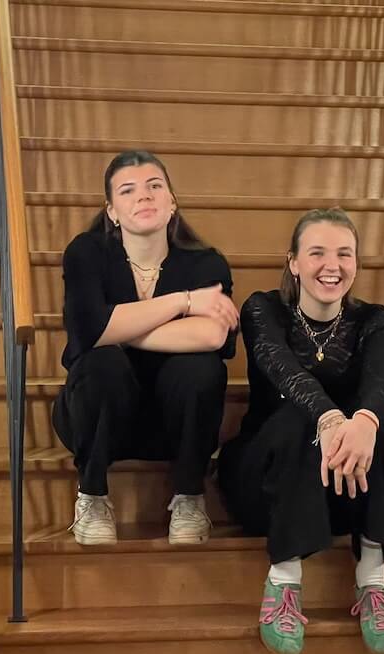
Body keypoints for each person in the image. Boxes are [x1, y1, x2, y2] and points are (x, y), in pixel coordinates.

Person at [218, 208, 384, 654]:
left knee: (382, 423)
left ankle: (372, 580)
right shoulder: (263, 309)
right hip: (270, 484)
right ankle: (284, 581)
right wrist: (331, 419)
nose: (332, 265)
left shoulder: (375, 321)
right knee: (296, 418)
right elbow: (286, 373)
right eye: (318, 253)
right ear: (294, 262)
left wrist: (364, 422)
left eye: (344, 254)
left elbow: (379, 384)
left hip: (344, 487)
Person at [53, 150, 239, 546]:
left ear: (172, 202)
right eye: (128, 190)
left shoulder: (205, 262)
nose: (144, 196)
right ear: (112, 211)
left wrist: (114, 327)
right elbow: (90, 335)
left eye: (155, 186)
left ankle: (189, 497)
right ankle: (92, 496)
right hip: (97, 417)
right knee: (102, 363)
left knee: (202, 368)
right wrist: (183, 303)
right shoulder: (86, 253)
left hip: (173, 423)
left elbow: (213, 336)